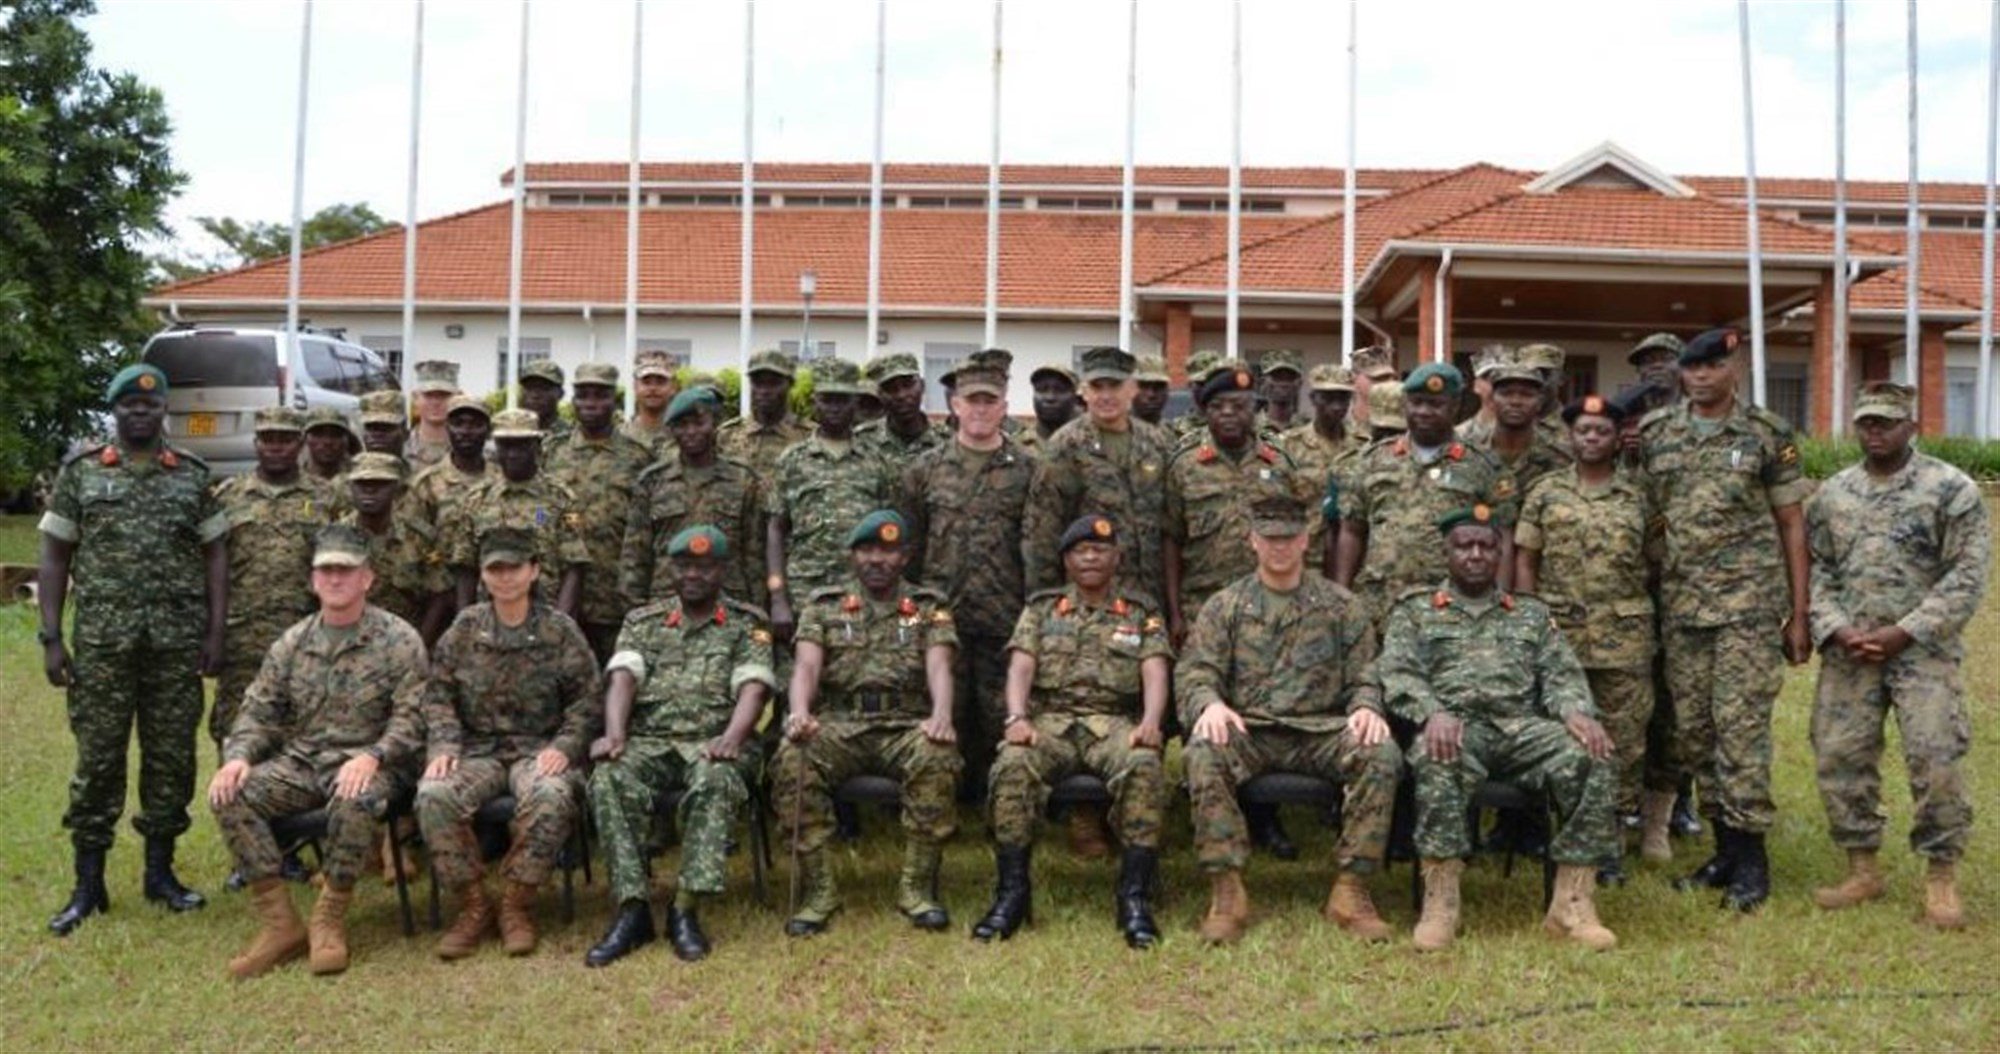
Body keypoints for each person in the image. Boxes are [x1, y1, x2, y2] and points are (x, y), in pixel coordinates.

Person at [39, 363, 229, 935]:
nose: (140, 413)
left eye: (150, 405)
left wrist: (215, 632)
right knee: (98, 760)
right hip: (102, 645)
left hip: (174, 646)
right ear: (115, 411)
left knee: (170, 759)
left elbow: (216, 556)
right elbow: (54, 556)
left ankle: (160, 874)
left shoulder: (192, 475)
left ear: (163, 410)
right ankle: (88, 885)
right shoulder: (82, 474)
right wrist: (50, 636)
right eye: (129, 405)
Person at [1381, 505, 1619, 952]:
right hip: (1454, 730)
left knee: (1593, 753)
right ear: (1446, 553)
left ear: (1500, 553)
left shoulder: (1529, 614)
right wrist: (1431, 711)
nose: (1475, 555)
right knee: (1438, 756)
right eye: (1464, 546)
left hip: (1521, 730)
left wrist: (1575, 712)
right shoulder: (1415, 611)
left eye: (1485, 546)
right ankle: (1441, 901)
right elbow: (1398, 673)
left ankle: (1573, 901)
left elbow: (1561, 672)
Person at [1638, 327, 1812, 913]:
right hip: (1684, 609)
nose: (1702, 376)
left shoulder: (1766, 433)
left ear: (1732, 367)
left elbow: (1792, 523)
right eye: (1692, 368)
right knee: (1697, 735)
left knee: (1740, 734)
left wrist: (1799, 613)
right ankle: (1723, 851)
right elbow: (1653, 518)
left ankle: (1752, 861)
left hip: (1746, 608)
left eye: (1713, 366)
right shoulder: (1659, 433)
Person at [1176, 494, 1402, 946]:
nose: (1279, 548)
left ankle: (1351, 890)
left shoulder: (1341, 606)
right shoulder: (1226, 606)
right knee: (1202, 750)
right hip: (1251, 729)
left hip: (1319, 731)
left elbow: (1366, 674)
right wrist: (1210, 705)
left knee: (1381, 753)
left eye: (1288, 539)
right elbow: (1196, 671)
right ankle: (1227, 891)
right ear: (1252, 542)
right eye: (1269, 539)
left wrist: (1365, 707)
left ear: (1305, 541)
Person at [1806, 382, 1990, 929]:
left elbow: (1967, 575)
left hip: (1922, 652)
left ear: (1912, 426)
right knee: (1839, 756)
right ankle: (1862, 867)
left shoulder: (1950, 489)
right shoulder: (1834, 494)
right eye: (1866, 422)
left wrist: (1906, 631)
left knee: (1935, 757)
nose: (1875, 431)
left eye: (1887, 422)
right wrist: (1836, 628)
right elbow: (1817, 568)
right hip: (1850, 651)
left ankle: (1941, 878)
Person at [207, 524, 426, 978]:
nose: (335, 579)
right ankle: (281, 923)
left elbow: (415, 717)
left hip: (374, 762)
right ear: (312, 580)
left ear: (367, 578)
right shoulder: (293, 642)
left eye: (346, 570)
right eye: (326, 570)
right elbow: (258, 711)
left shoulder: (399, 640)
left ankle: (328, 919)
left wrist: (375, 756)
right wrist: (239, 757)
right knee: (230, 794)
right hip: (304, 762)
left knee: (355, 798)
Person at [585, 525, 778, 966]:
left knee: (716, 779)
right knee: (609, 776)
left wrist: (732, 737)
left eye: (705, 566)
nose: (694, 575)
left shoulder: (747, 624)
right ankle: (632, 910)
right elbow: (623, 677)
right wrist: (615, 733)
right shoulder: (644, 622)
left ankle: (685, 909)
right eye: (685, 565)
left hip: (715, 742)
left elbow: (754, 686)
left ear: (722, 570)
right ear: (672, 569)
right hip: (650, 740)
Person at [974, 515, 1170, 948]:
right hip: (1050, 724)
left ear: (1116, 557)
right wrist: (1016, 718)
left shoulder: (1140, 611)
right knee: (1012, 765)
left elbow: (1154, 669)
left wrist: (1151, 722)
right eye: (1081, 551)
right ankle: (1012, 895)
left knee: (1143, 765)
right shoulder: (1042, 609)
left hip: (1113, 724)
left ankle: (1134, 898)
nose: (1091, 557)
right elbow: (1021, 665)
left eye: (1100, 549)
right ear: (1066, 561)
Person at [772, 511, 961, 937]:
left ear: (905, 556)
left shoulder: (929, 607)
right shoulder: (825, 606)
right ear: (852, 556)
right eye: (867, 550)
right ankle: (819, 889)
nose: (876, 560)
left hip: (906, 722)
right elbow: (805, 666)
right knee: (792, 757)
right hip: (841, 722)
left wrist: (941, 715)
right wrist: (799, 712)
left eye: (887, 551)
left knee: (937, 754)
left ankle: (916, 888)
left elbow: (940, 666)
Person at [419, 526, 603, 960]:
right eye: (494, 569)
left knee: (553, 795)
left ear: (534, 571)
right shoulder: (464, 629)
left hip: (538, 749)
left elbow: (588, 699)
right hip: (477, 751)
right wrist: (443, 746)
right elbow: (438, 694)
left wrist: (565, 745)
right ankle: (473, 906)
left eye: (513, 568)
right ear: (482, 576)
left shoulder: (560, 631)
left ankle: (516, 903)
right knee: (432, 796)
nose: (504, 578)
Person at [1514, 395, 1662, 879]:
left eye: (1601, 431)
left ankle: (1609, 841)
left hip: (1624, 638)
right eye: (1583, 431)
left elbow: (1659, 560)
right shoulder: (1545, 491)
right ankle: (1560, 832)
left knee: (1622, 741)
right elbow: (1525, 561)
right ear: (1570, 438)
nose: (1592, 438)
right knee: (1558, 734)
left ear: (1618, 438)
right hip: (1560, 636)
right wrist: (1528, 620)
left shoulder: (1640, 494)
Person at [900, 350, 1034, 802]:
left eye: (989, 401)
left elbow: (1036, 543)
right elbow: (911, 543)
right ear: (954, 405)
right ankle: (946, 796)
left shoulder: (1028, 469)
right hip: (944, 609)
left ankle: (1001, 796)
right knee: (947, 707)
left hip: (1004, 609)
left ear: (1003, 406)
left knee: (1001, 707)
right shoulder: (926, 469)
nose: (980, 409)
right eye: (971, 400)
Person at [1334, 362, 1516, 620]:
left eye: (1435, 404)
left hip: (1453, 610)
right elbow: (1352, 531)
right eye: (1416, 402)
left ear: (1455, 406)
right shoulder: (1371, 461)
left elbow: (1503, 536)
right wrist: (1344, 594)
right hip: (1381, 607)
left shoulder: (1482, 466)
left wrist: (1500, 601)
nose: (1424, 411)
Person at [208, 406, 335, 754]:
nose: (276, 447)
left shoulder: (327, 497)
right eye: (268, 439)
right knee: (236, 731)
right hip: (241, 640)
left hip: (307, 639)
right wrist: (214, 633)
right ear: (255, 443)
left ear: (301, 444)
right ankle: (231, 805)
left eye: (286, 439)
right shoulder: (228, 496)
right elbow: (211, 568)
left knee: (300, 734)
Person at [765, 357, 903, 641]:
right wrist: (778, 597)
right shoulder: (792, 460)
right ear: (815, 401)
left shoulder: (878, 462)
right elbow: (775, 529)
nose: (835, 408)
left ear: (855, 403)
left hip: (863, 591)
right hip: (804, 592)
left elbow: (891, 534)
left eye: (843, 400)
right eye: (828, 399)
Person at [1023, 346, 1173, 606]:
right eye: (1097, 386)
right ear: (1084, 391)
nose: (1106, 396)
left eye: (1114, 386)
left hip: (1149, 598)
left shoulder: (1156, 442)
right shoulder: (1065, 446)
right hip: (1088, 600)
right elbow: (1042, 532)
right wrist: (1046, 602)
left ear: (1132, 389)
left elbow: (1171, 524)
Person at [1164, 366, 1301, 650]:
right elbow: (1171, 539)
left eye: (1238, 406)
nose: (1227, 413)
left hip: (1267, 603)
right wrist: (1175, 612)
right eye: (1217, 406)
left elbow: (1297, 536)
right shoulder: (1184, 466)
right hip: (1200, 604)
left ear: (1254, 410)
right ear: (1204, 412)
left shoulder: (1279, 465)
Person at [543, 361, 655, 663]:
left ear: (614, 400)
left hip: (614, 596)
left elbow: (647, 527)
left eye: (600, 395)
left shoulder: (638, 456)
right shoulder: (551, 452)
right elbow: (539, 513)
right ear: (573, 401)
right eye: (584, 395)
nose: (591, 403)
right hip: (559, 595)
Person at [622, 388, 764, 607]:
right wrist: (635, 608)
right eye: (681, 425)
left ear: (715, 424)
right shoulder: (652, 481)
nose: (690, 432)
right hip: (666, 603)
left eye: (699, 423)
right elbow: (635, 554)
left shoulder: (743, 480)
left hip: (729, 604)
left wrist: (756, 610)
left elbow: (754, 554)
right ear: (672, 430)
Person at [445, 408, 589, 622]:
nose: (513, 453)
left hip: (544, 618)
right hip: (490, 619)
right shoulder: (477, 499)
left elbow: (574, 566)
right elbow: (465, 568)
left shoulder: (561, 498)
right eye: (506, 445)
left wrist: (561, 624)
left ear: (537, 446)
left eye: (522, 445)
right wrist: (466, 623)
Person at [339, 452, 449, 639]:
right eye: (362, 484)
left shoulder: (420, 537)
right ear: (350, 488)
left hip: (404, 640)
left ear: (396, 489)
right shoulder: (334, 537)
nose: (369, 491)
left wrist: (420, 642)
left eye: (379, 484)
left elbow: (439, 595)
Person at [1281, 364, 1364, 576]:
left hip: (1352, 561)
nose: (1336, 406)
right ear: (1313, 399)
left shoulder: (1364, 447)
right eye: (1328, 398)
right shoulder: (1289, 445)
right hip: (1305, 560)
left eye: (1343, 399)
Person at [1465, 348, 1573, 498]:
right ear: (1493, 399)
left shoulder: (1562, 457)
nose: (1515, 401)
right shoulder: (1469, 451)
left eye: (1526, 394)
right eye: (1506, 393)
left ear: (1540, 402)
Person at [717, 349, 810, 481]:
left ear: (790, 385)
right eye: (758, 383)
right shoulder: (726, 436)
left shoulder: (809, 437)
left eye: (773, 383)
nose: (764, 391)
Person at [857, 353, 953, 463]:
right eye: (891, 389)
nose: (901, 395)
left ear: (922, 386)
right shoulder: (862, 442)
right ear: (880, 394)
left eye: (908, 385)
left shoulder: (948, 441)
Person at [1014, 362, 1083, 457]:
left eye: (1060, 390)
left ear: (1075, 397)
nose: (1050, 397)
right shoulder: (1015, 446)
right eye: (1042, 389)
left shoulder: (1089, 444)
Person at [621, 350, 681, 454]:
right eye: (646, 382)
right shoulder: (620, 436)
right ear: (635, 387)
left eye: (660, 382)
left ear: (673, 387)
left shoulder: (684, 436)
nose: (653, 388)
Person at [404, 360, 461, 470]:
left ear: (458, 398)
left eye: (444, 395)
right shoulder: (401, 450)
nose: (436, 402)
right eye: (428, 395)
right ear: (416, 398)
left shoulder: (470, 451)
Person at [302, 406, 360, 490]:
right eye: (318, 434)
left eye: (336, 435)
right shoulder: (291, 477)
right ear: (306, 439)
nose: (328, 442)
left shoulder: (359, 478)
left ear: (347, 440)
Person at [517, 359, 572, 444]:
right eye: (529, 388)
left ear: (560, 394)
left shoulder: (571, 436)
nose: (535, 395)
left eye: (544, 388)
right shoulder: (509, 434)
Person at [1347, 346, 1398, 430]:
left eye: (1388, 377)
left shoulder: (1400, 424)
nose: (1385, 384)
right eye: (1376, 378)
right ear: (1354, 380)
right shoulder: (1339, 425)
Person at [1257, 349, 1305, 432]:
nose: (1284, 384)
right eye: (1277, 377)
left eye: (1290, 378)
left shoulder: (1309, 429)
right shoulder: (1250, 428)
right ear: (1263, 382)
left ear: (1299, 384)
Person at [356, 390, 409, 457]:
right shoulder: (349, 466)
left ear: (405, 433)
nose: (378, 434)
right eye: (371, 427)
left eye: (386, 427)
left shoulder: (418, 465)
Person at [1131, 356, 1172, 426]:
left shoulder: (1173, 432)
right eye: (1143, 386)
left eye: (1159, 386)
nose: (1151, 394)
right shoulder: (1113, 431)